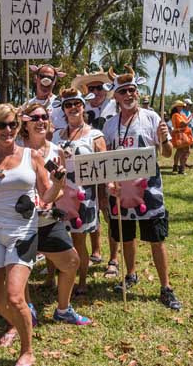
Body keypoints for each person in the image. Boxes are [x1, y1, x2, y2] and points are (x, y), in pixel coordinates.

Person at [0, 104, 65, 366]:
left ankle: (27, 350)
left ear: (18, 127)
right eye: (1, 125)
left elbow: (46, 196)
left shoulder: (32, 157)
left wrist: (57, 184)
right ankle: (22, 323)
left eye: (12, 124)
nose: (7, 130)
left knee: (14, 295)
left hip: (23, 232)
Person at [102, 66, 181, 310]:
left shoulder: (152, 118)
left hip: (150, 189)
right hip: (120, 191)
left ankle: (165, 287)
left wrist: (165, 138)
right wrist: (108, 185)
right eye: (123, 91)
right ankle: (131, 274)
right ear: (115, 96)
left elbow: (167, 154)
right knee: (126, 237)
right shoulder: (109, 125)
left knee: (157, 238)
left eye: (132, 90)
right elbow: (105, 160)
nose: (129, 95)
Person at [21, 103, 90, 324]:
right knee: (19, 269)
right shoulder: (16, 149)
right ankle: (27, 309)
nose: (41, 121)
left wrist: (53, 196)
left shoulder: (56, 150)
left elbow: (61, 187)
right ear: (25, 123)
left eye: (44, 117)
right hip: (20, 222)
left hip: (48, 218)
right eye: (35, 118)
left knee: (71, 262)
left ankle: (63, 310)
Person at [52, 88, 106, 296]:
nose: (73, 108)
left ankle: (81, 281)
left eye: (77, 103)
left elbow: (103, 168)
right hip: (58, 194)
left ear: (84, 106)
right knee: (57, 239)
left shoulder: (95, 135)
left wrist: (103, 194)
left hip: (84, 196)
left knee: (78, 240)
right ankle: (56, 277)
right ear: (63, 109)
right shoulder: (56, 134)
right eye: (68, 104)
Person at [71, 67, 117, 265]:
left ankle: (114, 259)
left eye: (100, 88)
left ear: (106, 89)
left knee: (111, 214)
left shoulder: (115, 106)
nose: (96, 92)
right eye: (92, 88)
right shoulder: (79, 109)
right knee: (91, 211)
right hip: (86, 170)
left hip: (110, 167)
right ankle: (95, 251)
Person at [26, 64, 67, 132]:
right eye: (42, 76)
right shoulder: (27, 105)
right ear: (36, 78)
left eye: (50, 78)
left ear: (54, 81)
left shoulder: (62, 104)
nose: (46, 81)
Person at [170, 100, 193, 175]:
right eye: (180, 106)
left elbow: (185, 122)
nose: (181, 107)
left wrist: (189, 118)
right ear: (176, 107)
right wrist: (191, 117)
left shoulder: (180, 115)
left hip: (182, 134)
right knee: (186, 151)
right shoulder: (176, 115)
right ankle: (182, 169)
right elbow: (183, 124)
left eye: (182, 106)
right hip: (181, 135)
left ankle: (175, 166)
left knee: (180, 151)